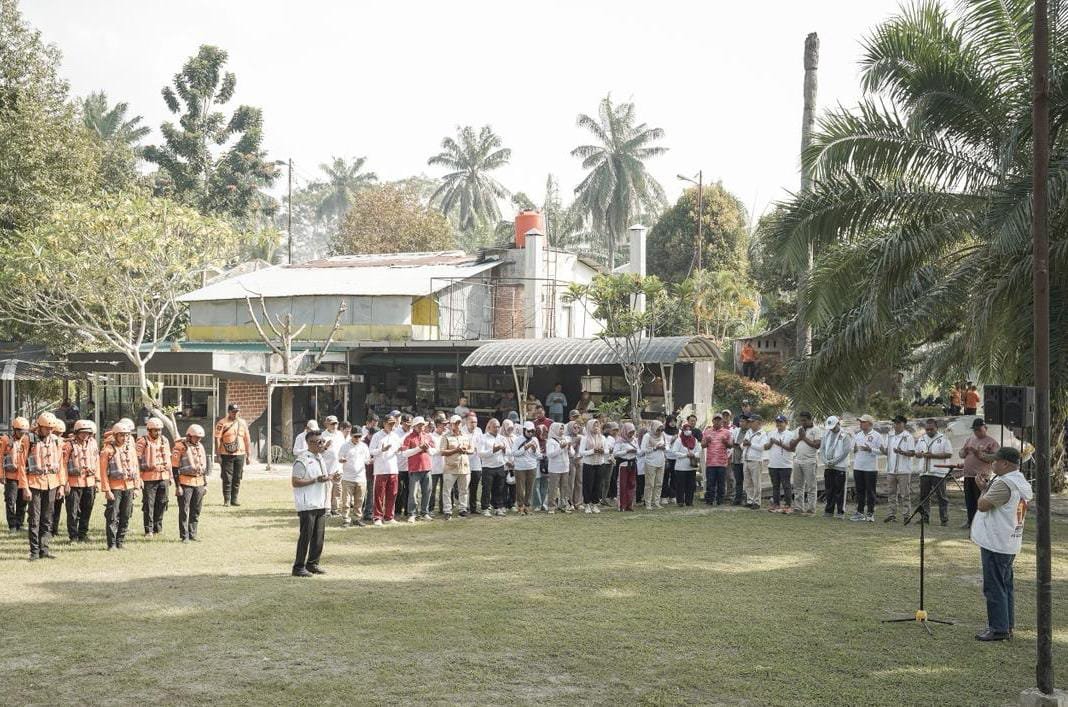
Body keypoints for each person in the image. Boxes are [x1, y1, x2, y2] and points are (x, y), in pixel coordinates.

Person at [970, 447, 1032, 641]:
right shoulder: (1019, 481)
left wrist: (983, 489)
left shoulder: (1004, 483)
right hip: (1009, 540)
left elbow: (983, 505)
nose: (992, 464)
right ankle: (1006, 625)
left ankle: (998, 629)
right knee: (1005, 585)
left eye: (995, 461)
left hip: (996, 541)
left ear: (1005, 463)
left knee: (994, 586)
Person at [291, 429, 337, 577]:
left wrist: (331, 477)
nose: (322, 444)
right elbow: (295, 482)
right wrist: (315, 480)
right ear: (310, 443)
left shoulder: (320, 458)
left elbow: (321, 478)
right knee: (306, 537)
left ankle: (312, 564)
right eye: (319, 442)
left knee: (318, 537)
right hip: (308, 504)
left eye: (322, 441)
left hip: (320, 502)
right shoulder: (302, 460)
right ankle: (298, 567)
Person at [19, 413, 64, 560]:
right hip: (34, 484)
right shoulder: (28, 440)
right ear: (39, 427)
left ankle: (44, 549)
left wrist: (61, 485)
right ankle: (34, 551)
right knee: (34, 518)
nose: (50, 431)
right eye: (47, 428)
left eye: (51, 429)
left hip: (52, 484)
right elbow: (21, 465)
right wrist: (25, 487)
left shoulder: (56, 441)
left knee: (47, 518)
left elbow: (61, 465)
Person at [99, 420, 140, 550]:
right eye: (122, 435)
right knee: (112, 516)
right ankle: (111, 544)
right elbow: (103, 472)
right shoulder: (107, 451)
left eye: (127, 435)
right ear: (115, 435)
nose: (125, 437)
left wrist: (137, 487)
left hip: (129, 487)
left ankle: (120, 542)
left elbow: (136, 468)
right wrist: (107, 490)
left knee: (125, 515)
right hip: (114, 488)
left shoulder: (131, 449)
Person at [62, 420, 99, 542]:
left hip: (89, 482)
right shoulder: (69, 445)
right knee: (72, 511)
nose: (85, 435)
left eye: (87, 433)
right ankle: (73, 536)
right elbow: (63, 465)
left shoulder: (93, 444)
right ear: (76, 432)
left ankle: (83, 534)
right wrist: (65, 482)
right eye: (82, 432)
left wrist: (97, 480)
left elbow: (97, 462)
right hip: (74, 483)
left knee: (87, 509)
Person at [171, 424, 209, 542]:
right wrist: (178, 486)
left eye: (200, 438)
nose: (198, 439)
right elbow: (174, 467)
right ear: (189, 436)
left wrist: (205, 484)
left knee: (196, 509)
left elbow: (203, 467)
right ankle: (184, 536)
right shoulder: (179, 447)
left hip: (199, 482)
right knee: (184, 510)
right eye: (196, 437)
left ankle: (193, 534)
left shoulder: (200, 446)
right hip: (185, 482)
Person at [960, 418, 999, 529]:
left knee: (980, 500)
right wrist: (964, 451)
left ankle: (980, 522)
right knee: (969, 500)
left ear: (985, 428)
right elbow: (961, 454)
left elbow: (995, 457)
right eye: (975, 430)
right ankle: (970, 521)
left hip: (981, 476)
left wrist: (979, 454)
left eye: (979, 429)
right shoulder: (970, 439)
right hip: (968, 475)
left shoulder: (992, 442)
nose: (977, 432)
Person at [137, 418, 172, 536]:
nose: (158, 432)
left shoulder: (164, 440)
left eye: (159, 430)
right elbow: (137, 460)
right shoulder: (142, 441)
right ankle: (149, 530)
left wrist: (170, 476)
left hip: (163, 476)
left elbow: (168, 459)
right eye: (155, 430)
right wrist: (139, 478)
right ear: (149, 430)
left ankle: (158, 528)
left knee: (162, 503)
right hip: (149, 478)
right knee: (149, 504)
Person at [915, 418, 954, 525]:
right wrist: (919, 454)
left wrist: (932, 455)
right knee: (924, 496)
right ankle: (925, 518)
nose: (929, 431)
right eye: (927, 429)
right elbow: (917, 453)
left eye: (931, 429)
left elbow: (949, 454)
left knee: (941, 497)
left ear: (936, 428)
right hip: (924, 472)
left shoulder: (943, 438)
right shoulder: (922, 438)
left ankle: (944, 519)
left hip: (938, 472)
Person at [214, 403, 252, 507]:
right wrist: (218, 455)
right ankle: (227, 500)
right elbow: (217, 439)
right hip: (226, 454)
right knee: (227, 478)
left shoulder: (242, 423)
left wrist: (248, 454)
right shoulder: (222, 423)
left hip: (240, 454)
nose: (235, 414)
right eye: (233, 412)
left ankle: (234, 499)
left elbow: (247, 439)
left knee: (237, 477)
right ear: (229, 412)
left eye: (237, 412)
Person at [882, 415, 916, 523]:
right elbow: (887, 451)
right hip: (891, 469)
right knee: (891, 493)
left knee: (905, 494)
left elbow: (912, 453)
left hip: (903, 470)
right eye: (895, 423)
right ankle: (891, 515)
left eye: (898, 423)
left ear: (903, 424)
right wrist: (881, 449)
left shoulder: (908, 437)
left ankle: (907, 515)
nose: (895, 425)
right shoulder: (890, 435)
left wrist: (902, 452)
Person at [401, 416, 434, 523]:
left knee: (427, 492)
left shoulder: (427, 436)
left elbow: (433, 451)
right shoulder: (408, 437)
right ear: (414, 426)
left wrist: (427, 449)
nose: (421, 427)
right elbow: (405, 453)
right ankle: (412, 513)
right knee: (413, 493)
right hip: (414, 469)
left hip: (427, 467)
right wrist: (419, 448)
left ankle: (425, 512)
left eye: (422, 425)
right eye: (419, 425)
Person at [438, 415, 472, 519]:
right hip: (450, 468)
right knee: (447, 490)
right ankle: (447, 510)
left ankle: (463, 509)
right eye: (455, 423)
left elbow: (472, 450)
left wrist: (466, 450)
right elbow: (442, 452)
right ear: (451, 424)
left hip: (464, 467)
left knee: (464, 490)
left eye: (459, 423)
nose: (457, 425)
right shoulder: (446, 436)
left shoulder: (466, 436)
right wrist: (456, 450)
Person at [369, 415, 401, 526]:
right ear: (384, 424)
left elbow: (398, 451)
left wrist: (400, 450)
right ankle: (377, 517)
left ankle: (389, 517)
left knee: (392, 494)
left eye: (393, 424)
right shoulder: (377, 436)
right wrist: (381, 450)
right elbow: (371, 451)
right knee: (379, 495)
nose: (392, 426)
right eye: (390, 424)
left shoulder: (395, 436)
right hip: (380, 470)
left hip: (393, 469)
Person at [788, 412, 822, 515]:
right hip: (797, 460)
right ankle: (798, 508)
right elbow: (791, 445)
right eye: (801, 420)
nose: (802, 422)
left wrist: (804, 438)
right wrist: (799, 437)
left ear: (810, 419)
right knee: (798, 486)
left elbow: (817, 445)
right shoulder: (798, 430)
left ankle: (811, 509)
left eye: (804, 420)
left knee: (811, 486)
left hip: (810, 461)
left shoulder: (816, 430)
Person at [3, 416, 31, 532]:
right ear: (14, 429)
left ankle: (20, 523)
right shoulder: (6, 440)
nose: (22, 434)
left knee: (22, 501)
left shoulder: (27, 440)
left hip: (23, 476)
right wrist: (1, 475)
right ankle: (12, 525)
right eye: (20, 431)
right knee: (11, 501)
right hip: (11, 476)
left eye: (24, 432)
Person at [851, 414, 881, 522]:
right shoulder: (857, 435)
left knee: (870, 491)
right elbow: (853, 449)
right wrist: (854, 449)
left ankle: (870, 513)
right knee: (859, 491)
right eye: (860, 422)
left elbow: (882, 451)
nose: (861, 423)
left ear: (869, 423)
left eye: (863, 422)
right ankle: (860, 512)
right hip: (858, 466)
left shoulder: (877, 435)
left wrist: (870, 449)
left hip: (870, 468)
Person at [338, 425, 370, 527]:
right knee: (346, 501)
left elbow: (367, 460)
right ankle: (346, 519)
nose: (357, 438)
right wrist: (342, 460)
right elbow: (339, 457)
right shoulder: (345, 446)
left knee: (359, 500)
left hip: (361, 478)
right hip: (348, 478)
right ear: (351, 435)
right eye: (355, 436)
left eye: (359, 436)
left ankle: (357, 518)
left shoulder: (364, 446)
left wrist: (371, 461)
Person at [820, 416, 852, 519]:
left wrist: (834, 461)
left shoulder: (845, 435)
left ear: (838, 424)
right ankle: (829, 511)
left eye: (834, 427)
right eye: (830, 428)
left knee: (840, 490)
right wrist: (825, 461)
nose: (832, 429)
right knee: (829, 489)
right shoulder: (826, 434)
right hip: (828, 466)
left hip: (840, 466)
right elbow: (822, 449)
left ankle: (840, 512)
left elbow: (846, 451)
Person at [478, 418, 508, 516]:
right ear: (489, 427)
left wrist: (504, 450)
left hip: (500, 466)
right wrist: (493, 450)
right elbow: (480, 454)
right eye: (494, 427)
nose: (497, 429)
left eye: (498, 427)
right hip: (488, 467)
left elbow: (509, 452)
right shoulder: (483, 438)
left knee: (499, 489)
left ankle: (497, 508)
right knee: (487, 489)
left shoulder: (502, 438)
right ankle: (485, 508)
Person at [578, 419, 608, 513]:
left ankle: (595, 504)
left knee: (598, 484)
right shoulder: (585, 438)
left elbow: (607, 450)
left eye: (597, 426)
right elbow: (581, 452)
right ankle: (587, 504)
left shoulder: (602, 438)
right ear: (589, 427)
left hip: (600, 463)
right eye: (594, 426)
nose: (596, 428)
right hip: (589, 464)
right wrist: (592, 451)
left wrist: (603, 451)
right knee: (588, 484)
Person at [766, 415, 795, 513]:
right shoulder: (771, 433)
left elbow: (792, 449)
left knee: (786, 485)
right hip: (773, 464)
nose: (778, 424)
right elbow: (766, 447)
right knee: (775, 486)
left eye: (781, 422)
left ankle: (788, 505)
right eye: (777, 422)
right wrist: (770, 443)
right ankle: (776, 504)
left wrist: (778, 443)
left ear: (786, 423)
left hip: (785, 465)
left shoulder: (790, 434)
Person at [701, 415, 732, 506]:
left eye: (719, 420)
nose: (717, 422)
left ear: (722, 421)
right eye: (716, 420)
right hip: (710, 462)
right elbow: (702, 445)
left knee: (721, 483)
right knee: (710, 483)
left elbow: (730, 445)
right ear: (713, 421)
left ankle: (720, 500)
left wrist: (725, 442)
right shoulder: (707, 432)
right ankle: (710, 500)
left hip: (722, 462)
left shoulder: (727, 432)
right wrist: (707, 441)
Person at [512, 421, 541, 514]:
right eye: (528, 431)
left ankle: (527, 506)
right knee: (520, 488)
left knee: (530, 487)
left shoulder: (535, 439)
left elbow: (538, 455)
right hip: (520, 467)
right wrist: (525, 448)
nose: (530, 433)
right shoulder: (517, 439)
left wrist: (534, 449)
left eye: (532, 431)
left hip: (532, 466)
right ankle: (520, 506)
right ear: (524, 430)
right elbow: (514, 453)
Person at [740, 415, 768, 509]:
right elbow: (742, 445)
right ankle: (749, 500)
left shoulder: (763, 434)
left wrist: (750, 444)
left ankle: (756, 502)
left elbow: (762, 447)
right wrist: (743, 444)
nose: (750, 423)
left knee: (756, 482)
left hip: (756, 460)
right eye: (750, 422)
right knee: (748, 482)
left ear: (758, 422)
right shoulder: (748, 432)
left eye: (752, 422)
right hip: (746, 459)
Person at [670, 423, 700, 507]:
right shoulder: (679, 440)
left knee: (690, 485)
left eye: (689, 429)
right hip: (681, 467)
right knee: (680, 485)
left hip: (691, 467)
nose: (688, 431)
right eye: (686, 429)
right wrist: (685, 455)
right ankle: (680, 501)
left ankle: (689, 501)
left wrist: (694, 455)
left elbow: (699, 451)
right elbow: (674, 452)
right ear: (683, 430)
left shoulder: (694, 440)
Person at [640, 421, 668, 510]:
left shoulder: (663, 435)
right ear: (653, 428)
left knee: (659, 483)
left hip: (661, 461)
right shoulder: (647, 436)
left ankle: (656, 502)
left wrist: (664, 447)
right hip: (650, 462)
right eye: (658, 430)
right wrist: (655, 448)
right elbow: (643, 449)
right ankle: (648, 503)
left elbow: (668, 446)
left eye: (661, 430)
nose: (659, 432)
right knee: (650, 484)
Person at [320, 416, 344, 516]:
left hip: (338, 467)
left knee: (337, 489)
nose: (334, 425)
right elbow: (319, 451)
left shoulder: (340, 434)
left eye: (336, 423)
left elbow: (344, 448)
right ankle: (327, 509)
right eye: (332, 424)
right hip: (327, 467)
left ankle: (335, 509)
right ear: (327, 424)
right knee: (327, 489)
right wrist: (325, 446)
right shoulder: (322, 435)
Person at [545, 422, 571, 513]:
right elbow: (550, 454)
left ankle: (563, 505)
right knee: (553, 488)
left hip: (565, 467)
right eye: (560, 428)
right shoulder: (551, 441)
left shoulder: (565, 439)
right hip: (555, 468)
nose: (562, 430)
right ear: (555, 429)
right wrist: (561, 448)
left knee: (564, 487)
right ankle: (551, 506)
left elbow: (572, 453)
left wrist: (569, 448)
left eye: (563, 429)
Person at [613, 422, 639, 511]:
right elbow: (615, 453)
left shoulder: (634, 440)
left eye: (633, 432)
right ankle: (622, 505)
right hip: (623, 464)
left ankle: (629, 504)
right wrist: (626, 451)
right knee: (622, 485)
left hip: (632, 463)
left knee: (631, 484)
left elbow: (639, 451)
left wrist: (636, 451)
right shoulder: (620, 441)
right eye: (630, 432)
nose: (631, 434)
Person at [463, 413, 484, 514]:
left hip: (476, 463)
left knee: (474, 487)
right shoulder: (462, 431)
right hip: (465, 462)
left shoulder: (479, 431)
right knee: (464, 487)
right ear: (467, 422)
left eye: (475, 422)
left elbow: (481, 445)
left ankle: (473, 507)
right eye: (472, 422)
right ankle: (464, 507)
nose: (474, 424)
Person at [428, 415, 447, 515]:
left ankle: (443, 508)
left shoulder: (446, 435)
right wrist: (441, 451)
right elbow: (431, 451)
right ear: (438, 425)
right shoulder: (431, 436)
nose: (445, 426)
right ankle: (430, 509)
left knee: (444, 490)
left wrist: (441, 451)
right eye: (444, 424)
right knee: (432, 490)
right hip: (434, 467)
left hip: (445, 466)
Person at [729, 414, 747, 506]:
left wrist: (739, 445)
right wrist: (732, 443)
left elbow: (746, 445)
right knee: (738, 480)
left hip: (745, 459)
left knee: (746, 480)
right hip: (736, 459)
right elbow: (731, 440)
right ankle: (738, 498)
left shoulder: (749, 432)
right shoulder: (736, 430)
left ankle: (745, 498)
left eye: (743, 421)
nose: (741, 423)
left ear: (747, 423)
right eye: (740, 421)